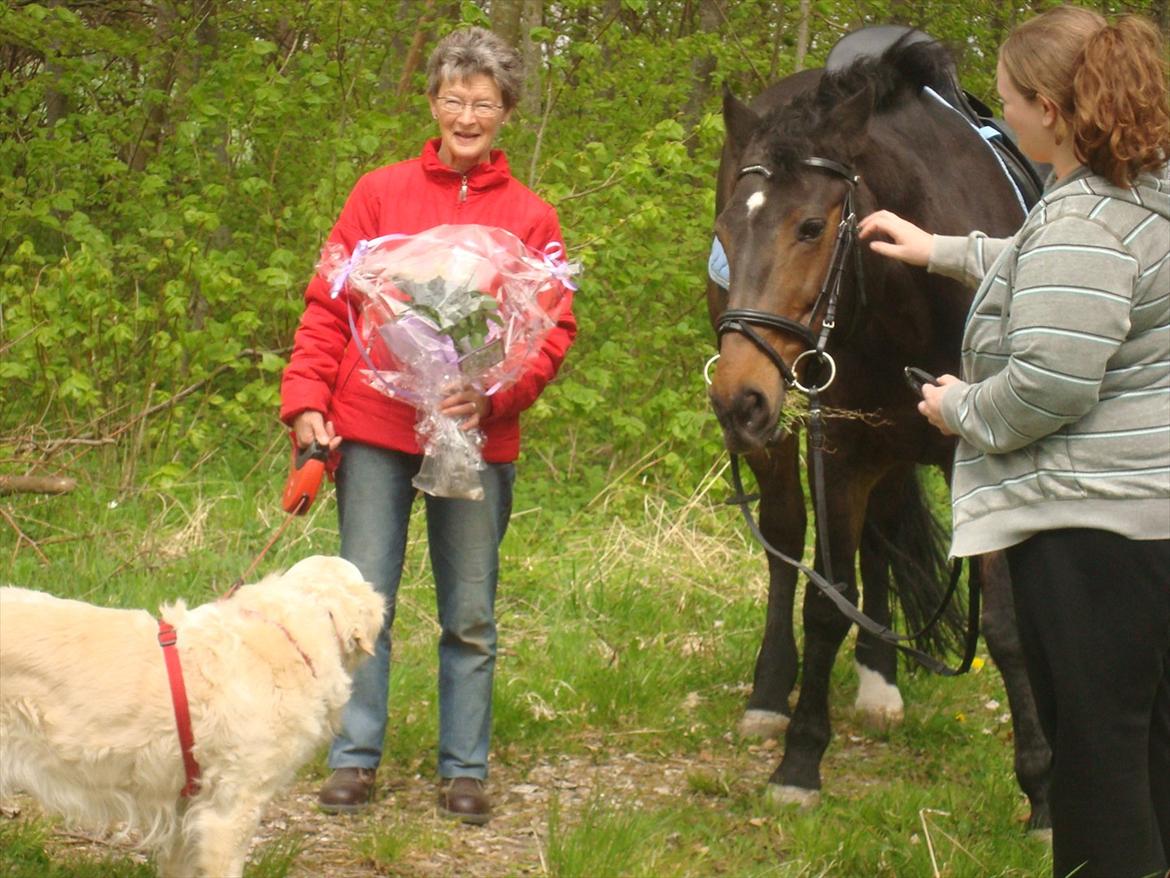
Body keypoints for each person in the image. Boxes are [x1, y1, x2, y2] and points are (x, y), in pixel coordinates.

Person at [858, 7, 1169, 877]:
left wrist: (962, 408)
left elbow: (1049, 385)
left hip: (1091, 531)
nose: (1000, 114)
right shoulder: (1141, 194)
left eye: (1007, 100)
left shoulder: (1083, 220)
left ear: (1051, 110)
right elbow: (1069, 276)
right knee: (1146, 736)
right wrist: (941, 249)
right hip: (1148, 520)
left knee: (1096, 753)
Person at [279, 27, 576, 825]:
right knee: (361, 602)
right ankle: (354, 758)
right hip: (374, 430)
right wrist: (306, 398)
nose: (467, 116)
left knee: (470, 613)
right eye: (454, 98)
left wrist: (495, 396)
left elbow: (551, 330)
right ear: (434, 103)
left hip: (475, 439)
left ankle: (464, 769)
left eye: (484, 102)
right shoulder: (377, 194)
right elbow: (327, 306)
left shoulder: (532, 217)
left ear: (506, 111)